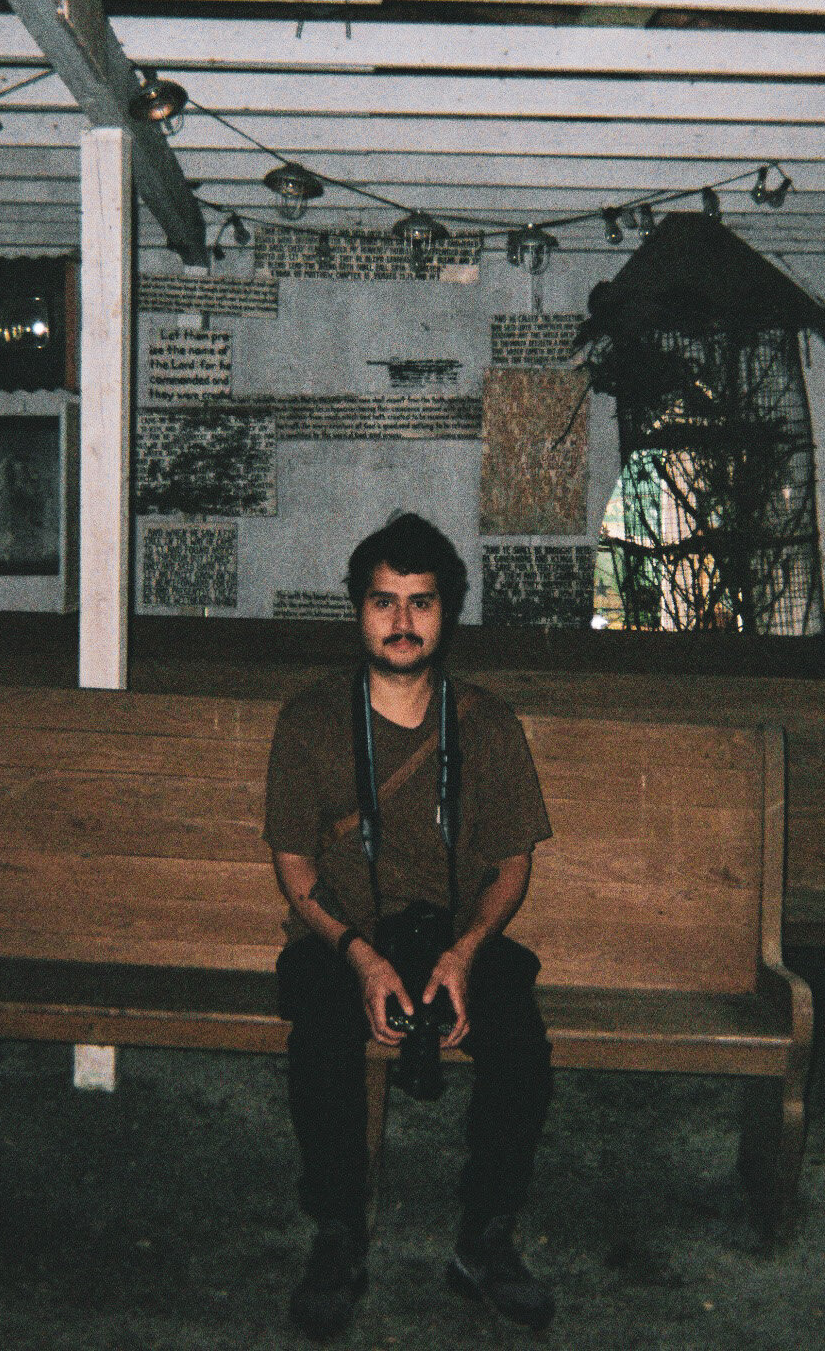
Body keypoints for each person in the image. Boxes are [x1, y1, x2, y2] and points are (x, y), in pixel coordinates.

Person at [264, 514, 557, 1341]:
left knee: (520, 1041)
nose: (402, 621)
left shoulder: (488, 724)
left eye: (421, 603)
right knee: (321, 1031)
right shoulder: (311, 720)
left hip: (451, 935)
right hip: (346, 935)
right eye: (383, 602)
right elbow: (294, 865)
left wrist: (465, 954)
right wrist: (360, 958)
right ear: (357, 609)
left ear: (446, 612)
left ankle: (485, 1236)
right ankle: (337, 1233)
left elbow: (511, 866)